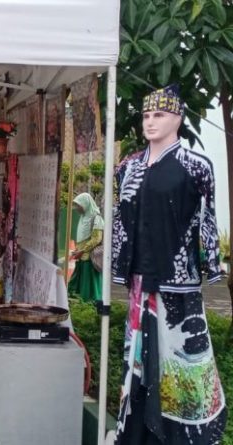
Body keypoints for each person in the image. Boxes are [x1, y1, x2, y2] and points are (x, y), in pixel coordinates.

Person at [112, 85, 227, 444]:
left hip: (178, 285)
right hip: (139, 281)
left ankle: (185, 434)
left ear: (177, 118)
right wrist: (118, 264)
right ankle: (135, 433)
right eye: (146, 115)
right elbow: (120, 220)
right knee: (137, 358)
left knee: (182, 360)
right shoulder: (127, 168)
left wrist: (211, 264)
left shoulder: (196, 167)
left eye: (159, 114)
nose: (150, 121)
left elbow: (207, 219)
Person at [67, 193, 103, 301]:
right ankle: (82, 305)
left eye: (79, 205)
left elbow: (97, 238)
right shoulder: (83, 218)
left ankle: (91, 306)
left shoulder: (96, 218)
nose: (77, 208)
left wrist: (83, 250)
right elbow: (81, 237)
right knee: (77, 283)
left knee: (89, 284)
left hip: (90, 258)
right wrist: (78, 250)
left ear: (86, 204)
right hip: (81, 256)